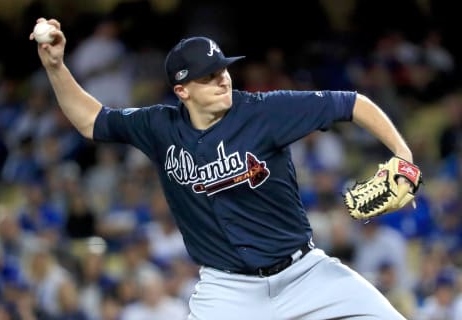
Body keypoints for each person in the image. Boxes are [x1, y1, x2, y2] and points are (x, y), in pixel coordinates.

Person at [31, 17, 417, 319]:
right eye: (209, 76)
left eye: (223, 69)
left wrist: (404, 156)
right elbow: (91, 120)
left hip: (305, 274)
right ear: (182, 90)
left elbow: (353, 103)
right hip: (227, 290)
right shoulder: (159, 126)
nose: (223, 79)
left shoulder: (265, 111)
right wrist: (55, 67)